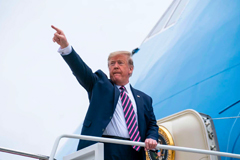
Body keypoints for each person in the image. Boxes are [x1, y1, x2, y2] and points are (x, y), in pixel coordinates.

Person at [51, 25, 159, 160]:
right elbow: (81, 70)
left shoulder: (144, 99)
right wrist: (66, 47)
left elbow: (152, 125)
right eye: (112, 64)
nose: (115, 66)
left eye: (120, 63)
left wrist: (151, 137)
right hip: (106, 149)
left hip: (135, 152)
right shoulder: (100, 85)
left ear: (130, 69)